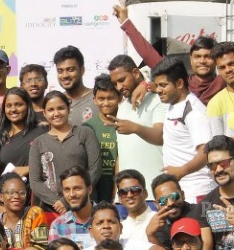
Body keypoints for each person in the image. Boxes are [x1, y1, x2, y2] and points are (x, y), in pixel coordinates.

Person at [152, 57, 215, 202]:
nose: (159, 90)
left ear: (180, 83)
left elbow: (206, 152)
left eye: (163, 85)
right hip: (180, 189)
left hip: (197, 190)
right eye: (157, 85)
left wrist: (182, 171)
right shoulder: (173, 104)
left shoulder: (194, 111)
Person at [28, 91, 101, 212]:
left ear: (68, 109)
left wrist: (67, 200)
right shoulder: (38, 143)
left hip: (84, 206)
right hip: (51, 209)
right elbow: (35, 182)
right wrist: (57, 202)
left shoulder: (85, 133)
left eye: (61, 108)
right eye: (51, 110)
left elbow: (95, 169)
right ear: (44, 114)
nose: (56, 113)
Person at [109, 55, 166, 201]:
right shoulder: (122, 107)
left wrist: (135, 128)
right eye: (115, 83)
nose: (119, 87)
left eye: (122, 80)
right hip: (125, 197)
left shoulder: (158, 99)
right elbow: (121, 155)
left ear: (135, 73)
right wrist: (117, 195)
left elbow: (160, 137)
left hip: (154, 195)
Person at [0, 87, 46, 199]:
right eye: (9, 106)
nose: (13, 109)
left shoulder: (42, 132)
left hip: (38, 199)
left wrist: (29, 168)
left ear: (28, 106)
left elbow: (54, 162)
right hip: (8, 202)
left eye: (18, 104)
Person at [145, 174, 212, 250]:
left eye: (174, 196)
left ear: (182, 195)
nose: (170, 203)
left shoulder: (200, 213)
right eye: (163, 200)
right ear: (156, 204)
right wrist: (150, 234)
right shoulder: (159, 226)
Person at [83, 75, 119, 203]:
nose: (106, 103)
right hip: (96, 185)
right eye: (101, 99)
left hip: (120, 184)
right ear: (94, 100)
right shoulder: (87, 127)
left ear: (119, 98)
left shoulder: (126, 123)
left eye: (110, 98)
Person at [0, 172, 50, 250]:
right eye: (11, 193)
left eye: (22, 193)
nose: (17, 196)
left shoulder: (35, 214)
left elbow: (41, 249)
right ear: (1, 197)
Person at [47, 167, 95, 244]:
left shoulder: (108, 217)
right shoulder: (58, 226)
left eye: (77, 188)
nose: (72, 194)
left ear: (89, 189)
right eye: (67, 190)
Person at [54, 45, 97, 125]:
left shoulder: (98, 100)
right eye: (60, 71)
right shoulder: (56, 103)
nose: (65, 75)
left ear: (82, 70)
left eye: (70, 70)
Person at [115, 169, 155, 242]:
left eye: (135, 190)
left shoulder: (158, 221)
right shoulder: (119, 229)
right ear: (119, 198)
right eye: (123, 192)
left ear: (145, 193)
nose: (129, 195)